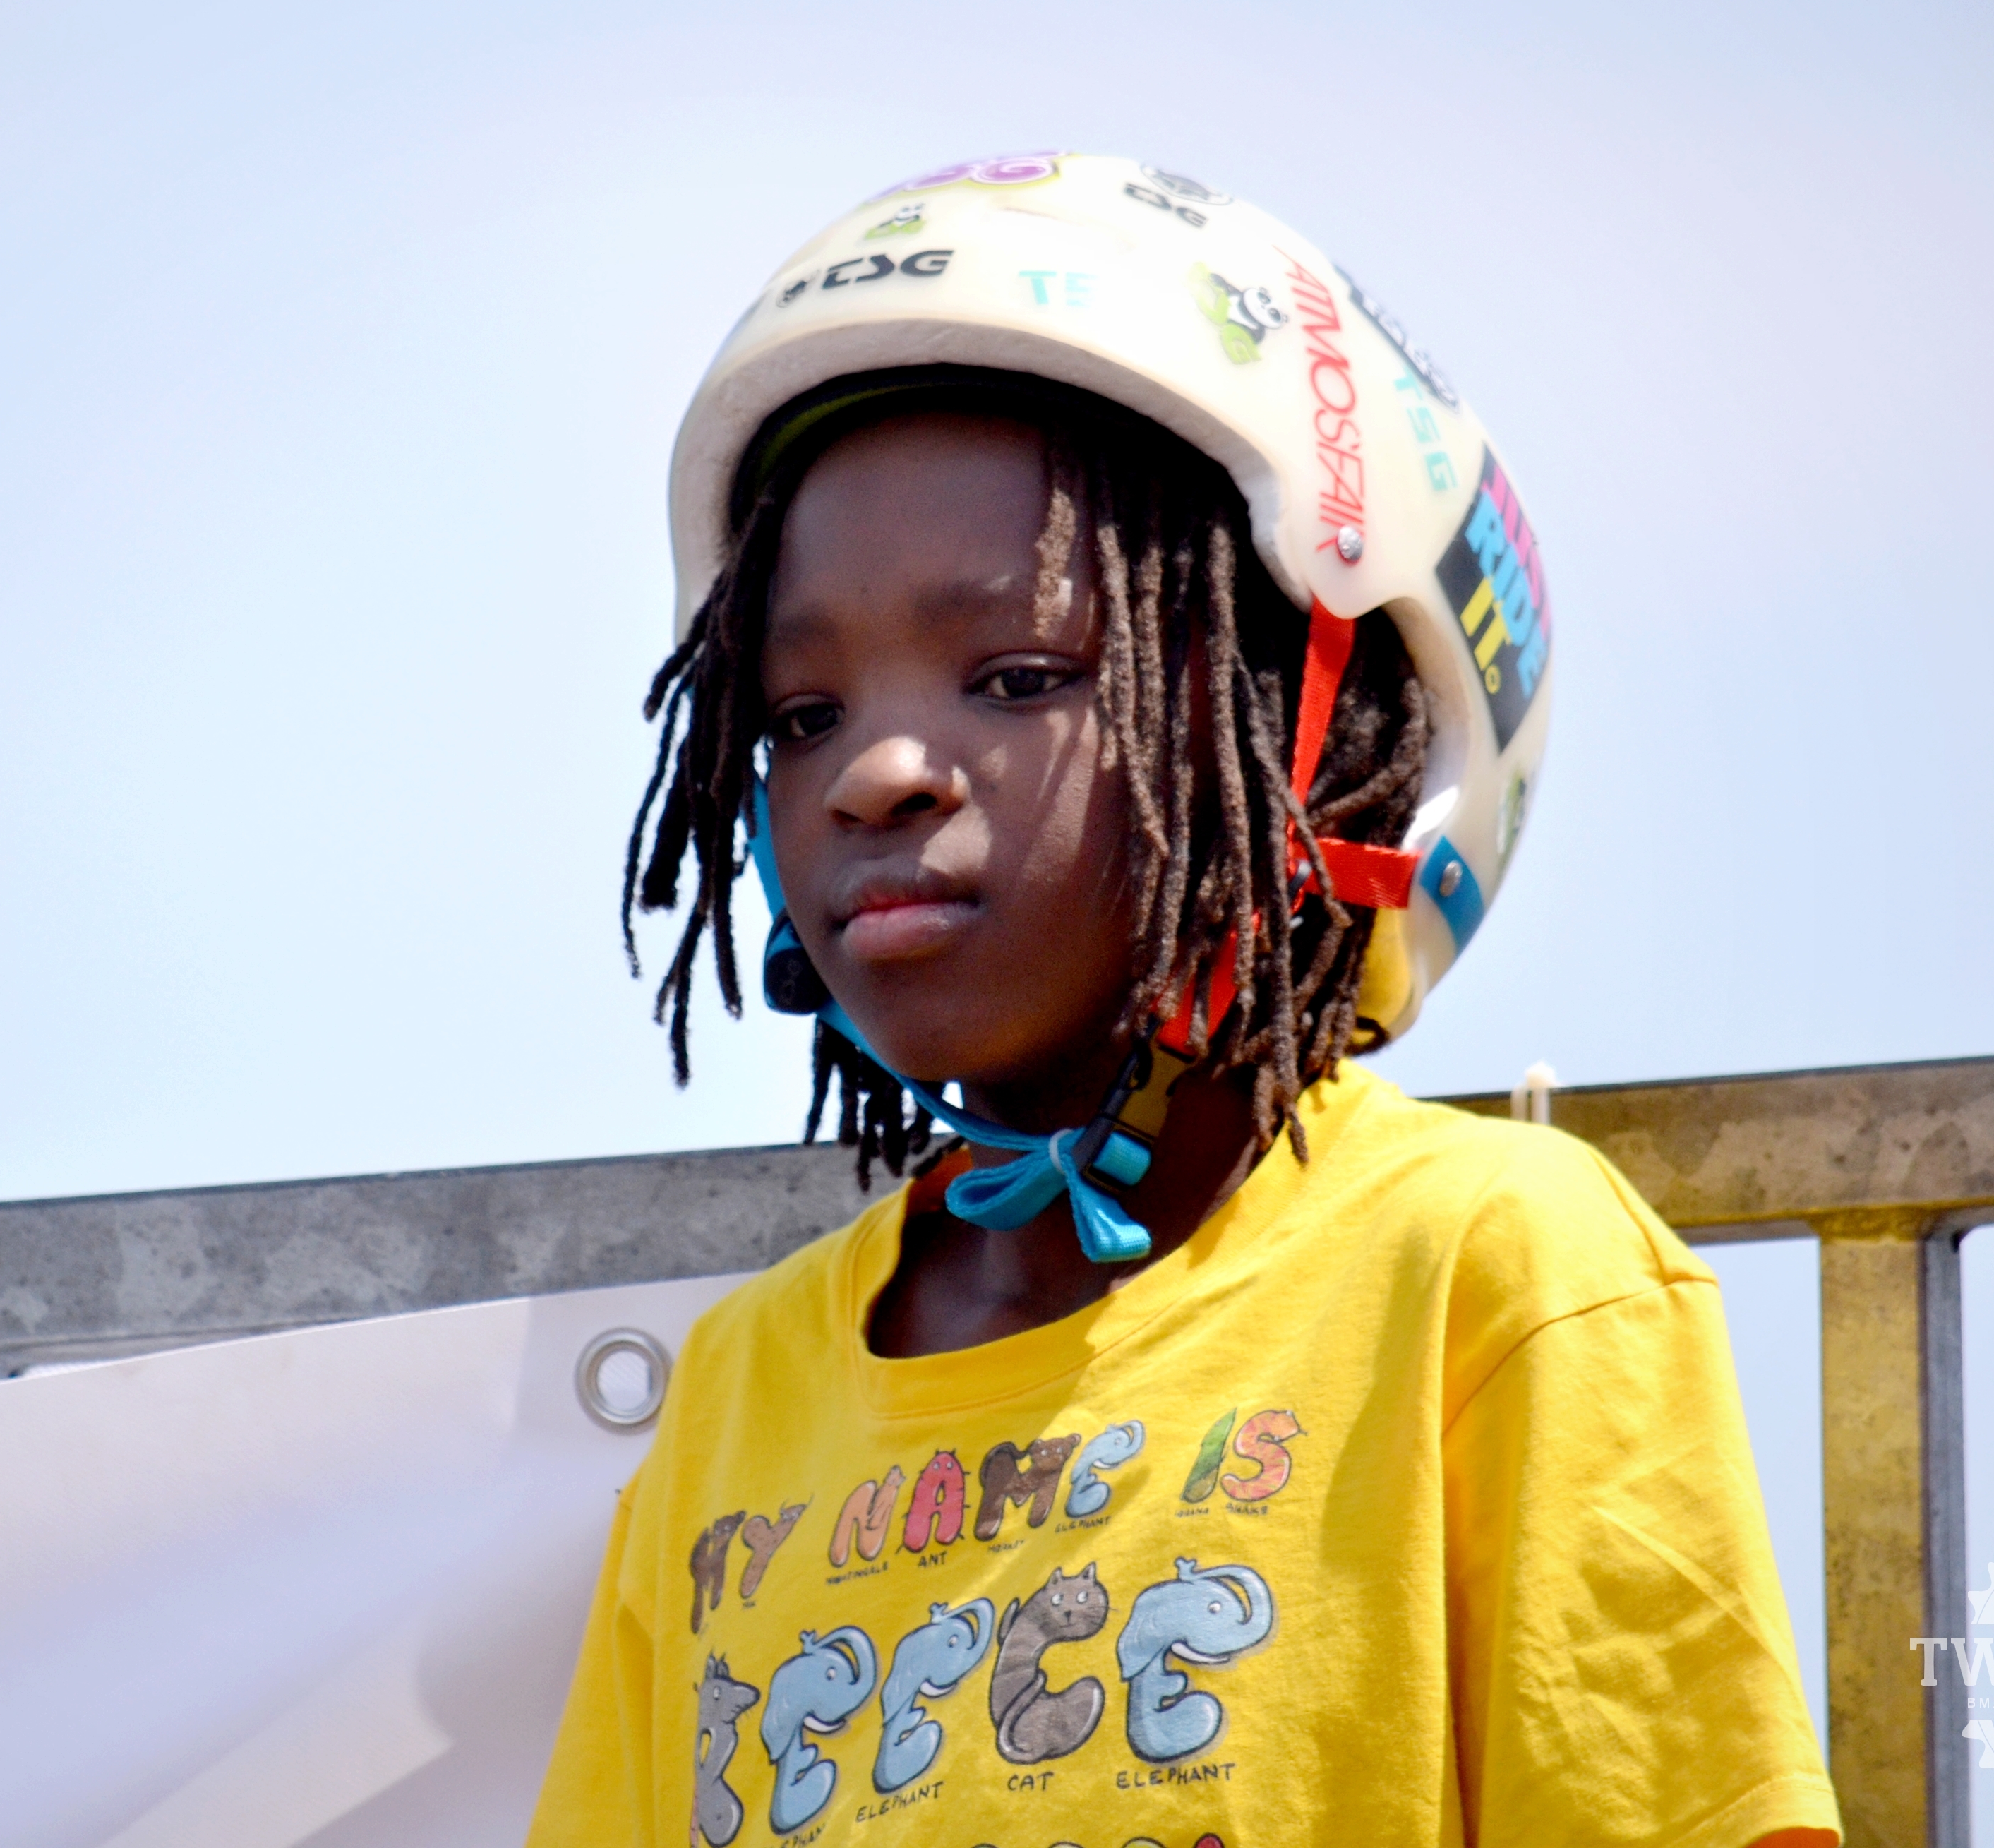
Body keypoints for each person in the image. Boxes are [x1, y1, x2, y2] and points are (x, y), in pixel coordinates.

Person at [532, 152, 1838, 1848]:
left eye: (1017, 676)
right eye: (799, 716)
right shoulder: (732, 1397)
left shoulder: (1494, 1271)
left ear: (1315, 728)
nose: (875, 772)